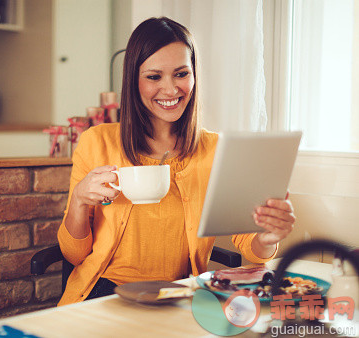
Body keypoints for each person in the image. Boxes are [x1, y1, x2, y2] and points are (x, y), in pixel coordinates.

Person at [57, 17, 296, 306]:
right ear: (134, 80)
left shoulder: (215, 149)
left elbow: (251, 246)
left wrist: (269, 236)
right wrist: (81, 201)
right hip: (103, 294)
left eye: (181, 74)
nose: (170, 90)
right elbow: (74, 255)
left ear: (194, 75)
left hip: (179, 296)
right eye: (154, 77)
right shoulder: (97, 142)